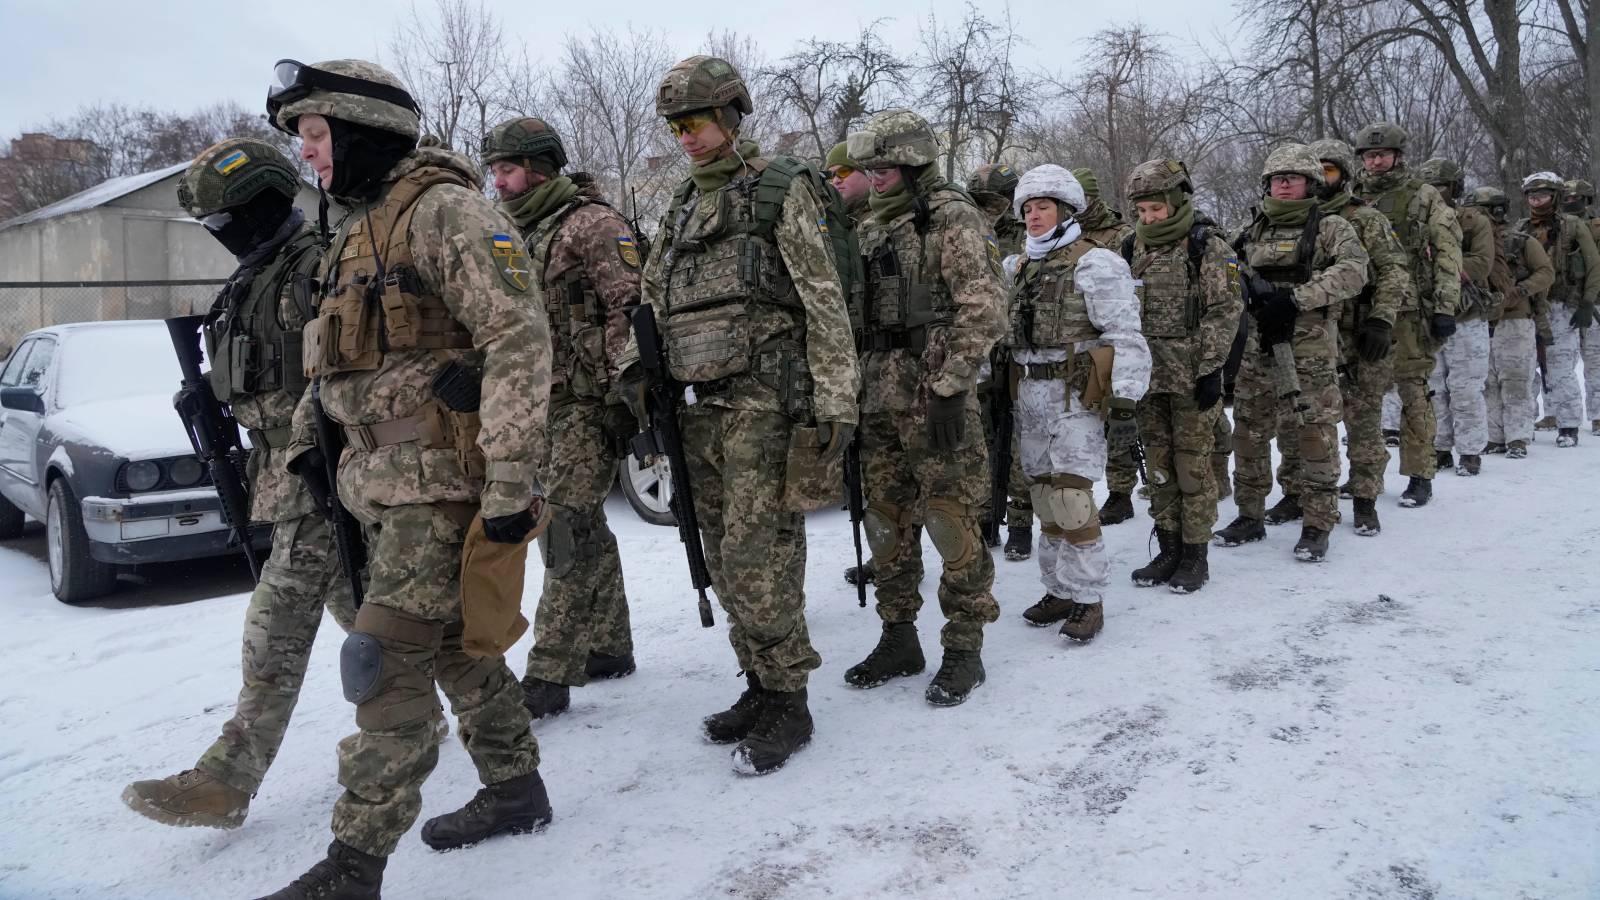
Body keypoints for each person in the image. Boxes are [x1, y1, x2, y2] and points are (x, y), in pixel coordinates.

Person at [261, 58, 553, 898]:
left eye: (316, 135)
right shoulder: (356, 230)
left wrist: (508, 483)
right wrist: (306, 460)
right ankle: (515, 787)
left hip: (438, 485)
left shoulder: (446, 212)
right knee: (460, 649)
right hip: (370, 486)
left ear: (359, 127)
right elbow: (334, 372)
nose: (309, 154)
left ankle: (354, 866)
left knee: (383, 663)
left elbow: (519, 339)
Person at [618, 55, 859, 773]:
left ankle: (790, 697)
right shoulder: (684, 206)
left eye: (694, 123)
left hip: (761, 406)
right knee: (720, 556)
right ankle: (757, 679)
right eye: (675, 127)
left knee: (761, 556)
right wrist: (637, 377)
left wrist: (836, 402)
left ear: (730, 116)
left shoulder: (780, 190)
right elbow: (655, 299)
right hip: (694, 411)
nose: (686, 138)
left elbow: (823, 298)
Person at [122, 138, 360, 831]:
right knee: (365, 608)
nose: (218, 235)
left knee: (276, 623)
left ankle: (227, 779)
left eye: (224, 220)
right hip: (281, 473)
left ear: (256, 209)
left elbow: (343, 374)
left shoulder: (315, 266)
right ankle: (462, 702)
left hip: (322, 473)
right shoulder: (256, 275)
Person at [841, 109, 1003, 706]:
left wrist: (951, 385)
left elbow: (983, 308)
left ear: (913, 163)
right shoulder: (867, 225)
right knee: (885, 522)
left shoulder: (950, 216)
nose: (875, 176)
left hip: (934, 395)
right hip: (876, 395)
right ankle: (898, 635)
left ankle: (964, 646)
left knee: (950, 519)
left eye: (885, 166)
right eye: (870, 167)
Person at [480, 116, 639, 720]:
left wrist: (628, 396)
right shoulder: (509, 231)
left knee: (564, 526)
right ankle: (609, 644)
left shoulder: (591, 224)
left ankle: (551, 669)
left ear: (541, 168)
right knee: (583, 523)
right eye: (494, 170)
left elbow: (629, 308)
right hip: (537, 404)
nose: (498, 181)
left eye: (508, 169)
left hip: (586, 402)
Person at [1003, 165, 1150, 638]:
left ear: (1067, 210)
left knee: (1070, 497)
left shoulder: (1096, 263)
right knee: (1045, 500)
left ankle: (1089, 598)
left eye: (1043, 206)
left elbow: (1125, 335)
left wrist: (1125, 401)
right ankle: (1059, 588)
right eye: (1027, 208)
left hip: (1074, 396)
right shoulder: (1018, 267)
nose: (1033, 216)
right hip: (1027, 393)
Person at [1217, 144, 1368, 562]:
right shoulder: (1252, 231)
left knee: (1314, 436)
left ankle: (1318, 522)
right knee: (1248, 432)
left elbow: (1355, 271)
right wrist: (1245, 291)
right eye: (1277, 179)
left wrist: (1295, 299)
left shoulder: (1331, 227)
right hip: (1256, 347)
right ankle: (1250, 515)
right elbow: (1227, 270)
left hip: (1309, 349)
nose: (1283, 185)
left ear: (1310, 184)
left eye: (1293, 178)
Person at [1120, 159, 1241, 593]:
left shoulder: (1207, 246)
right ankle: (1168, 547)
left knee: (1193, 468)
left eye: (1157, 208)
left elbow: (1225, 311)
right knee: (1159, 467)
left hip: (1192, 379)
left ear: (1178, 200)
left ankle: (1195, 554)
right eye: (1143, 210)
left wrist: (1211, 370)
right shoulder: (1130, 246)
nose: (1150, 218)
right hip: (1147, 379)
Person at [1353, 122, 1461, 506]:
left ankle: (1419, 474)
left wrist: (1446, 307)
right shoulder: (1353, 195)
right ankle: (1364, 473)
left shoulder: (1423, 195)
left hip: (1410, 309)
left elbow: (1448, 252)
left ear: (1398, 155)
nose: (1376, 161)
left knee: (1413, 391)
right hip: (1361, 307)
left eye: (1382, 154)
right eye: (1369, 155)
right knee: (1361, 395)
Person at [1308, 139, 1409, 536]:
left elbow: (1394, 270)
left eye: (1328, 171)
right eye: (1313, 171)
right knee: (1311, 419)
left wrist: (1382, 320)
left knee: (1364, 418)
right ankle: (1303, 492)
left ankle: (1366, 498)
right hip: (1316, 335)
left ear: (1344, 175)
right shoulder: (1302, 218)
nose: (1320, 179)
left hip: (1359, 331)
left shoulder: (1364, 218)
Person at [968, 161, 1034, 561]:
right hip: (978, 352)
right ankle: (986, 517)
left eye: (998, 201)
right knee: (983, 440)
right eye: (983, 201)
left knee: (1017, 441)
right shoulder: (968, 229)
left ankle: (1021, 522)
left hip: (1015, 353)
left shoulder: (1029, 237)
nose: (991, 208)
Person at [1071, 166, 1141, 527]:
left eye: (1085, 198)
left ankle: (1120, 491)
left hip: (1113, 338)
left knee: (1119, 418)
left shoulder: (1123, 235)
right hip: (1080, 343)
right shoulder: (1064, 234)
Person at [1467, 186, 1555, 458]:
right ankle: (1495, 436)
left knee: (1516, 380)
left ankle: (1518, 437)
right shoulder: (1469, 242)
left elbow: (1546, 273)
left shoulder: (1519, 241)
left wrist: (1520, 290)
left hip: (1515, 320)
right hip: (1480, 320)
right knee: (1488, 382)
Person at [1420, 158, 1494, 475]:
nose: (1434, 192)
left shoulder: (1473, 220)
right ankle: (1440, 447)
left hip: (1465, 314)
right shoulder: (1417, 218)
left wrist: (1444, 265)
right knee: (1434, 387)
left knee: (1466, 388)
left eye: (1440, 186)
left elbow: (1482, 263)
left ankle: (1470, 450)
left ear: (1454, 188)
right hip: (1428, 312)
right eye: (1429, 186)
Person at [1517, 171, 1600, 447]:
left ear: (1555, 197)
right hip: (1529, 306)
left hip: (1562, 305)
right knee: (1525, 366)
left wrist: (1588, 302)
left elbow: (1593, 265)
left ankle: (1568, 424)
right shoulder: (1521, 228)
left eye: (1542, 195)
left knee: (1561, 366)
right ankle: (1522, 423)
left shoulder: (1573, 225)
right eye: (1531, 195)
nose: (1536, 200)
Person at [1562, 178, 1600, 435]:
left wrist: (1590, 299)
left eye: (1576, 198)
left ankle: (1598, 414)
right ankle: (1556, 413)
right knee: (1559, 361)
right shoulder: (1560, 227)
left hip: (1594, 302)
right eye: (1566, 198)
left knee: (1595, 360)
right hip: (1565, 302)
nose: (1571, 202)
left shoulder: (1596, 228)